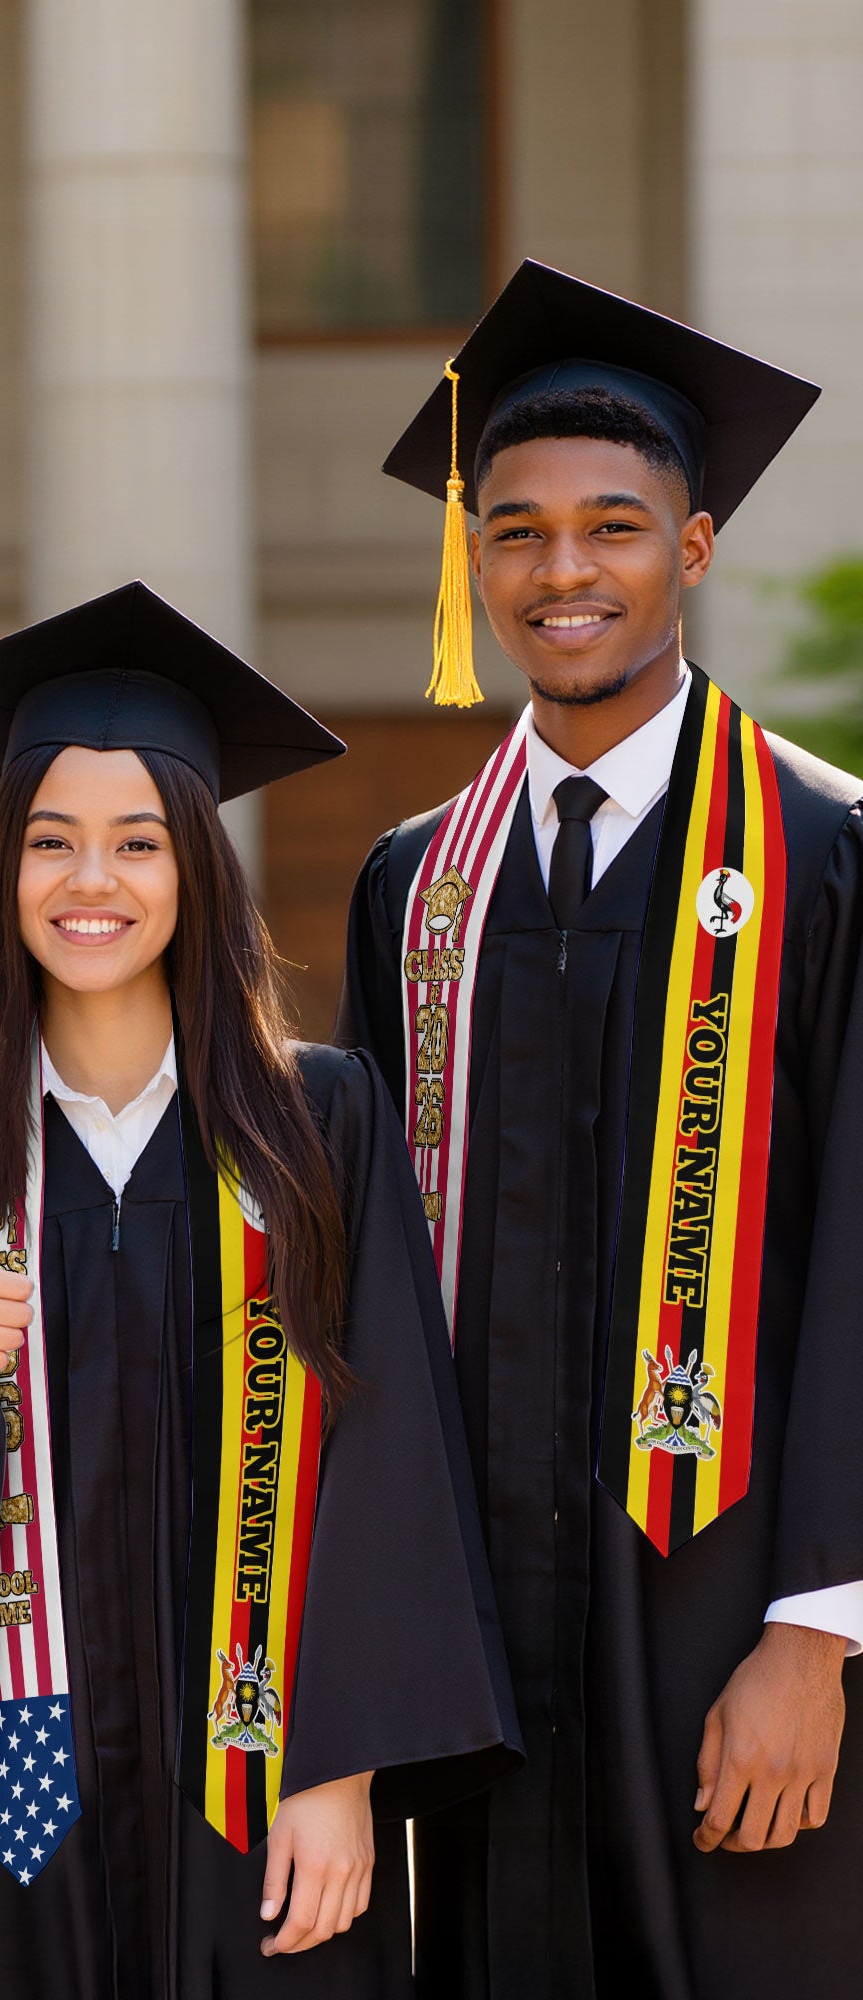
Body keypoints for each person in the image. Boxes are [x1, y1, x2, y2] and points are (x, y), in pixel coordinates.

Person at [0, 582, 518, 1998]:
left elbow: (393, 1460)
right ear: (2, 870)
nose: (93, 883)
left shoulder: (323, 1127)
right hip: (35, 1803)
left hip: (275, 1793)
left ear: (196, 868)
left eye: (137, 843)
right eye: (52, 842)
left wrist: (342, 1769)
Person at [339, 260, 863, 1999]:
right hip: (483, 1621)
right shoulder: (416, 885)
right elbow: (364, 1272)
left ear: (694, 550)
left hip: (735, 1609)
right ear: (472, 558)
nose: (564, 571)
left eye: (615, 526)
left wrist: (820, 1626)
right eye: (517, 529)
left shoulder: (830, 854)